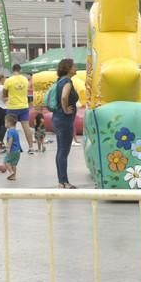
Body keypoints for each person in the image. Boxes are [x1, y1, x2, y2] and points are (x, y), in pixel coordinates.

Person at [52, 59, 78, 189]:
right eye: (74, 66)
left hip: (57, 118)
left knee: (60, 150)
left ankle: (61, 181)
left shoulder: (59, 81)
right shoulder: (67, 81)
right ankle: (64, 181)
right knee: (64, 151)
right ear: (68, 68)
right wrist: (66, 109)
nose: (76, 67)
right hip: (64, 119)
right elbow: (64, 97)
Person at [4, 64, 35, 154]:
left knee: (10, 128)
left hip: (12, 106)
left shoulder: (8, 80)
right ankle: (31, 147)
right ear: (20, 70)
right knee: (26, 127)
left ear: (12, 70)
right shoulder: (25, 79)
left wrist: (7, 98)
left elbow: (4, 93)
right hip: (24, 106)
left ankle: (11, 147)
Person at [4, 114, 21, 181]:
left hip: (12, 150)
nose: (5, 124)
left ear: (9, 123)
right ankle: (14, 176)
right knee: (13, 164)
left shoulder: (10, 131)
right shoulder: (16, 131)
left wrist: (8, 148)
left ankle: (11, 172)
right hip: (17, 151)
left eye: (5, 122)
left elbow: (10, 139)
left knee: (6, 161)